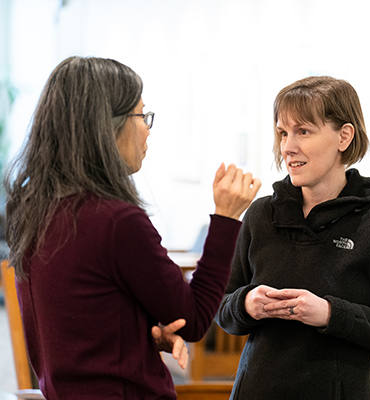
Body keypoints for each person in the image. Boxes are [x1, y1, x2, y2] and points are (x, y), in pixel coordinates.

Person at [4, 56, 261, 400]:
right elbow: (195, 318)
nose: (147, 127)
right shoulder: (115, 221)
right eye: (141, 115)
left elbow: (78, 322)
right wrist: (226, 219)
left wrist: (143, 333)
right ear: (107, 126)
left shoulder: (35, 209)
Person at [215, 76, 370, 400]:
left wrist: (330, 313)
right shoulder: (260, 215)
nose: (287, 147)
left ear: (344, 136)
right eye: (283, 133)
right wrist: (247, 303)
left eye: (303, 131)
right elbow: (222, 309)